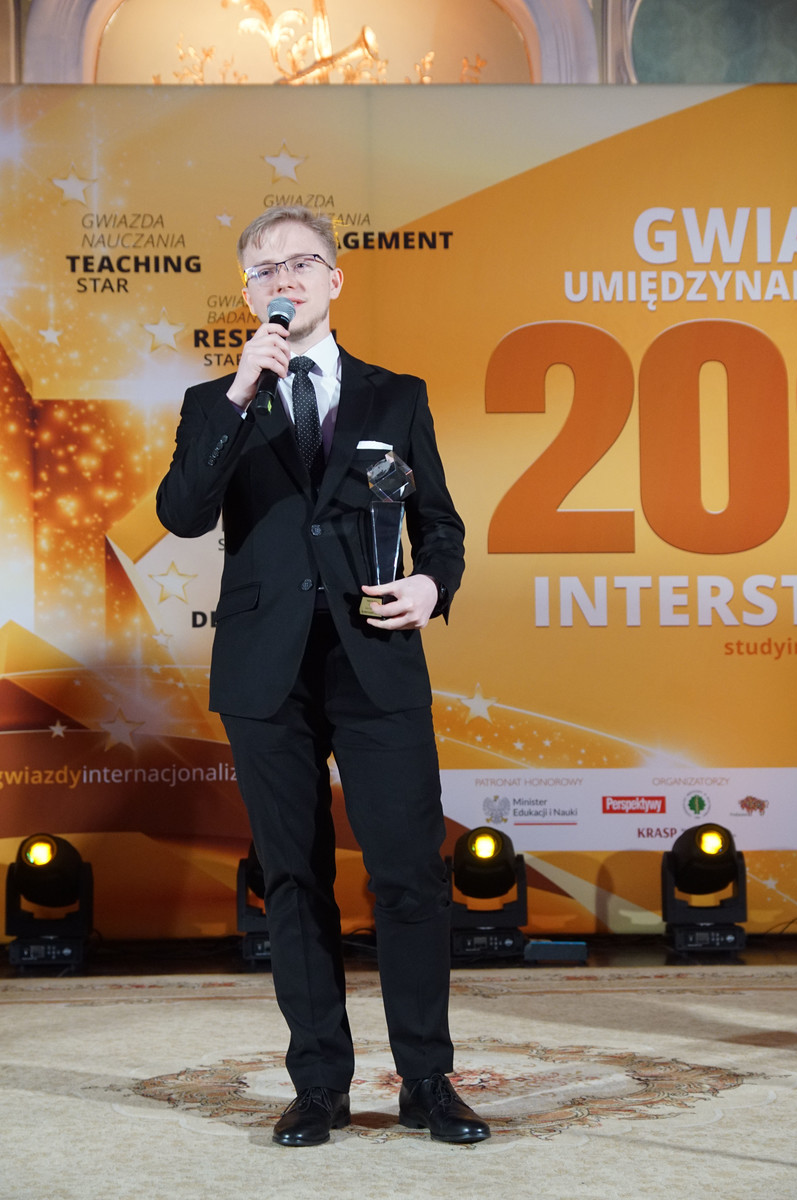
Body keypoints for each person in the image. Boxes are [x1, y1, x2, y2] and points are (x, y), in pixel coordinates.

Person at [156, 205, 489, 1146]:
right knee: (293, 877)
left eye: (301, 263)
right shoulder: (214, 402)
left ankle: (427, 1080)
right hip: (265, 671)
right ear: (248, 295)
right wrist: (239, 394)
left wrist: (433, 584)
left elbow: (442, 527)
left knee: (410, 877)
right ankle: (319, 1086)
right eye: (264, 271)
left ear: (334, 280)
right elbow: (182, 514)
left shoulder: (396, 396)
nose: (284, 281)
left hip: (375, 658)